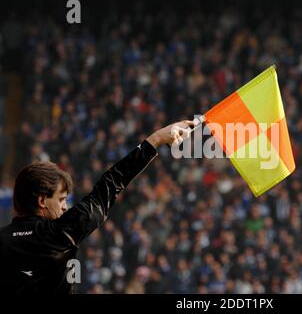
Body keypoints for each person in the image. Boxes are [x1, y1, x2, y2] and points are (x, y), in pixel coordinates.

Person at [0, 120, 195, 295]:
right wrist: (157, 139)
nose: (65, 207)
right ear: (42, 201)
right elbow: (110, 185)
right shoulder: (59, 234)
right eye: (61, 199)